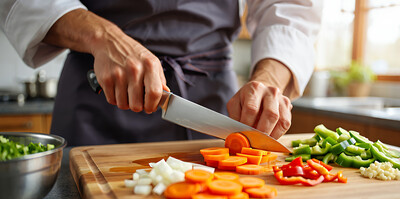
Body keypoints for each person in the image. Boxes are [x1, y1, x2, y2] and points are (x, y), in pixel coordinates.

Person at [0, 0, 322, 146]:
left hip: (216, 105)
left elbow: (291, 7)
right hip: (99, 97)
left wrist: (269, 78)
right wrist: (101, 37)